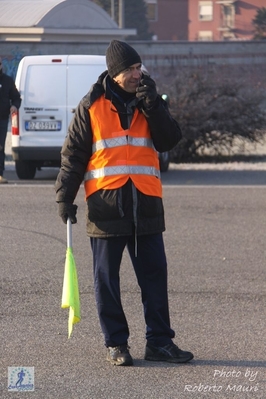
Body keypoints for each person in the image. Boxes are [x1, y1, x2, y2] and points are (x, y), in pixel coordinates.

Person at [55, 40, 194, 366]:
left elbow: (170, 140)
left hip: (145, 205)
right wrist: (65, 198)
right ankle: (116, 344)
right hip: (106, 208)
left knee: (155, 277)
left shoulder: (150, 100)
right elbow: (73, 157)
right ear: (116, 73)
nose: (138, 73)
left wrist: (154, 106)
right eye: (131, 69)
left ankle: (159, 342)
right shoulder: (91, 105)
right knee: (107, 281)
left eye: (138, 67)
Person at [0, 56, 21, 184]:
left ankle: (0, 174)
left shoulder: (7, 81)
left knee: (0, 147)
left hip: (2, 119)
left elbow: (16, 98)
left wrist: (14, 105)